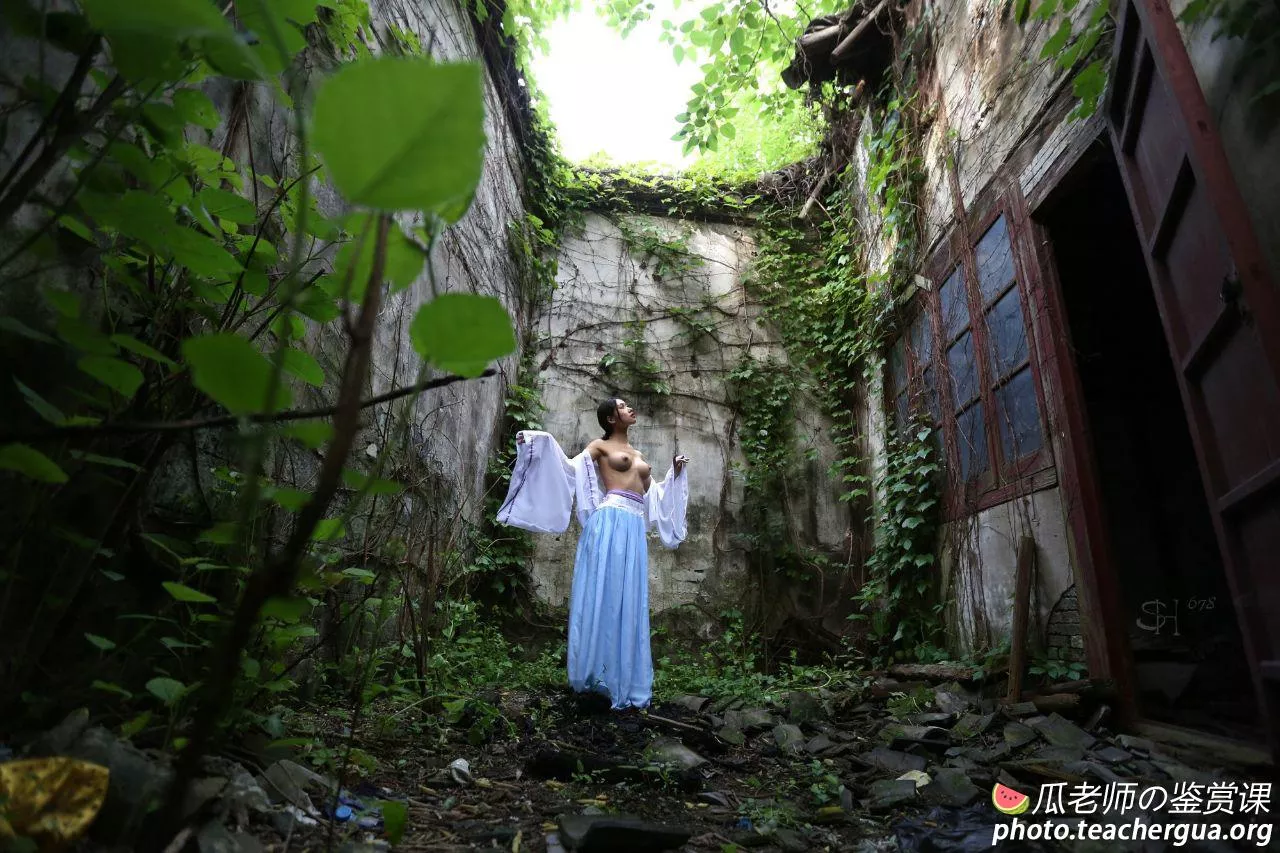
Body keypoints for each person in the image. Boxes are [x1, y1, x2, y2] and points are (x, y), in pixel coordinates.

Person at [496, 397, 690, 710]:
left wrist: (676, 473)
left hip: (633, 528)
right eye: (622, 406)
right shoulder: (599, 447)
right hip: (609, 521)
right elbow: (569, 468)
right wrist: (539, 442)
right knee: (604, 595)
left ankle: (623, 679)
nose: (630, 408)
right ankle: (594, 676)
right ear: (611, 418)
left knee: (629, 600)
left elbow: (653, 495)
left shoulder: (639, 455)